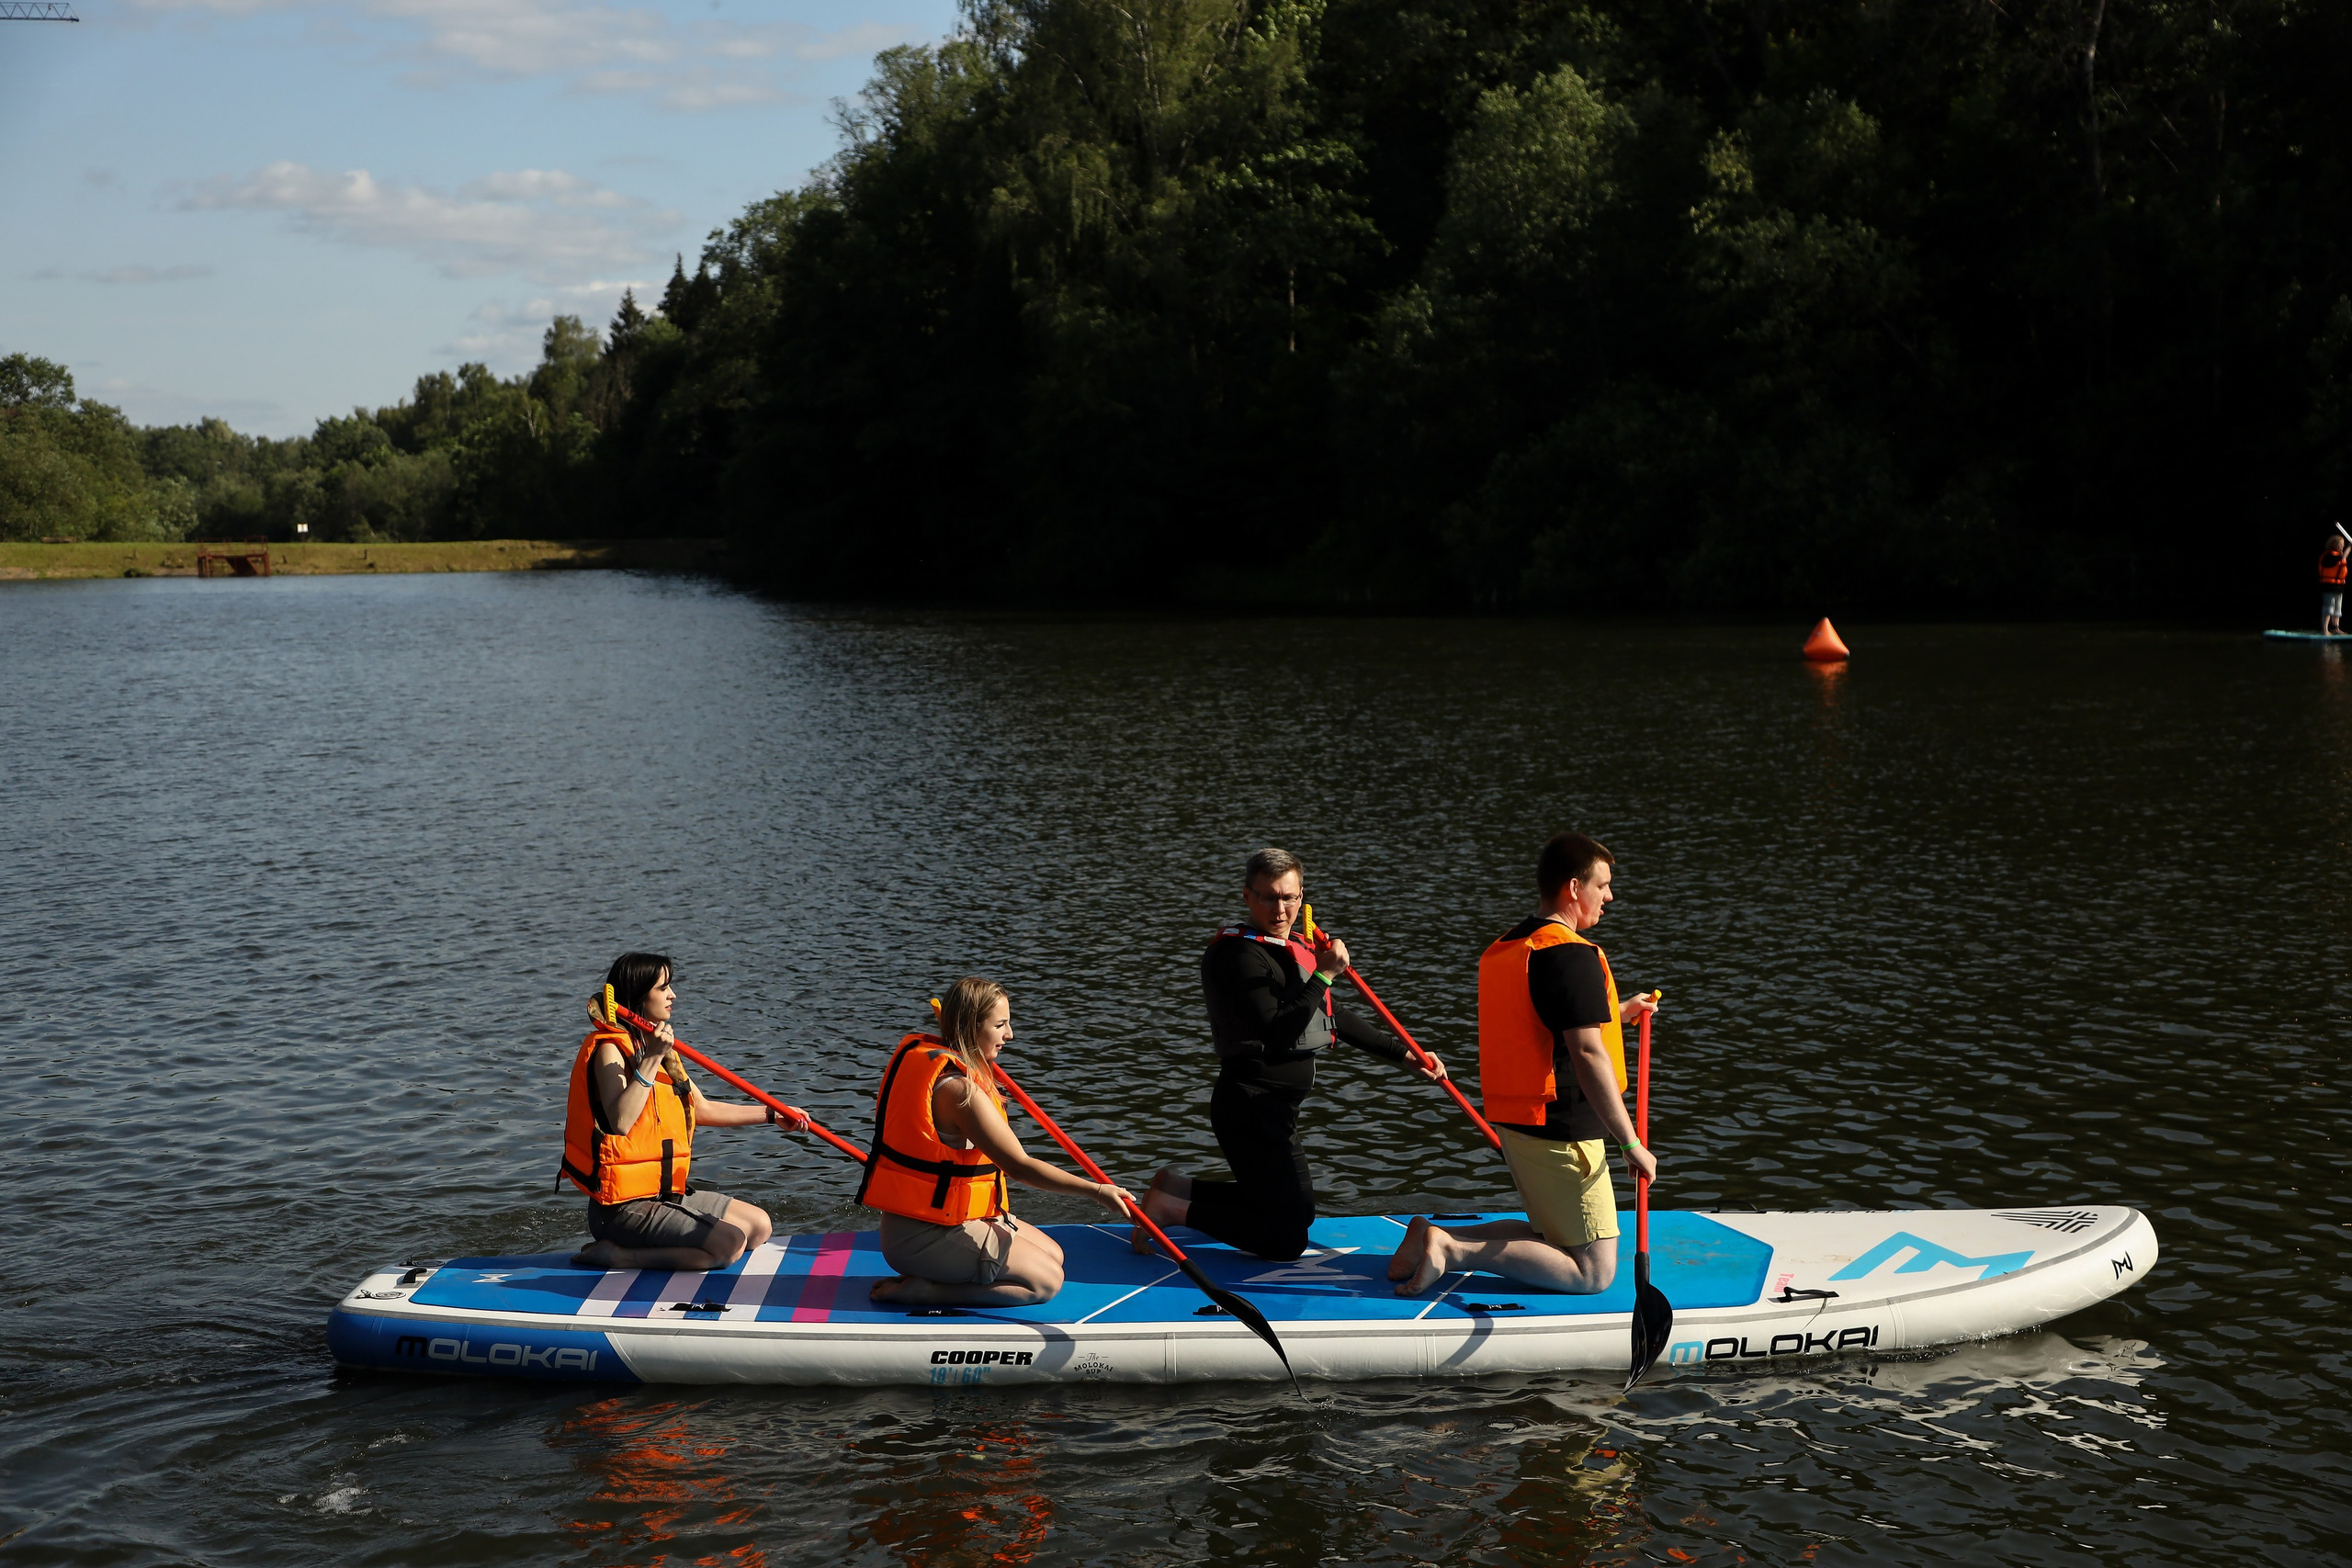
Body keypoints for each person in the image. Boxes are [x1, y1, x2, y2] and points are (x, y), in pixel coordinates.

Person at [1136, 847, 1447, 1262]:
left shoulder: (1292, 946)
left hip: (1275, 1106)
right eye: (1268, 897)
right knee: (1285, 1240)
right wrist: (1324, 973)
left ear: (1302, 899)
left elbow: (1331, 1014)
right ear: (1248, 896)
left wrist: (1404, 1053)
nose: (1279, 909)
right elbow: (1280, 1030)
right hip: (1249, 1105)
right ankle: (1169, 1211)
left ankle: (1176, 1187)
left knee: (1299, 1212)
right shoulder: (1238, 955)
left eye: (1289, 898)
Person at [1389, 832, 1659, 1297]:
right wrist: (1629, 1141)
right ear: (1574, 888)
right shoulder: (1571, 954)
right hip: (1563, 1131)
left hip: (1519, 1121)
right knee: (1592, 1272)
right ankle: (1452, 1251)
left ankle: (1429, 1237)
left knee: (1551, 1238)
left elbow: (1546, 1025)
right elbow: (1588, 1051)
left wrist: (1618, 1014)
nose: (1609, 896)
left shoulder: (1515, 944)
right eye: (1602, 885)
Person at [862, 977, 1136, 1307]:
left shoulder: (959, 1071)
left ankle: (940, 1274)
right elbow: (1019, 1166)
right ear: (969, 1028)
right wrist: (1097, 1191)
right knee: (1045, 1283)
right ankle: (928, 1291)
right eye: (1000, 1025)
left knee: (1054, 1255)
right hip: (923, 1236)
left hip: (948, 1219)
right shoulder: (959, 1092)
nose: (1010, 1035)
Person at [560, 953, 784, 1272]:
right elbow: (620, 1122)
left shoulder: (660, 1048)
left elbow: (701, 1108)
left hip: (663, 1194)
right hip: (621, 1209)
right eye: (663, 987)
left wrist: (773, 1115)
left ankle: (663, 1241)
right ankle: (618, 1256)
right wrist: (651, 1059)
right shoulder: (610, 1050)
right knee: (729, 1244)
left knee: (759, 1227)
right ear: (639, 996)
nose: (672, 995)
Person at [2320, 529, 2347, 636]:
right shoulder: (2330, 556)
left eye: (2343, 545)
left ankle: (2336, 628)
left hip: (2338, 586)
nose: (2342, 546)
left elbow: (2345, 558)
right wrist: (2350, 547)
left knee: (2337, 609)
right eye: (2341, 544)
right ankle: (2325, 629)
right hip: (2329, 586)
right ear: (2335, 544)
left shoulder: (2340, 556)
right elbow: (2341, 557)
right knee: (2329, 607)